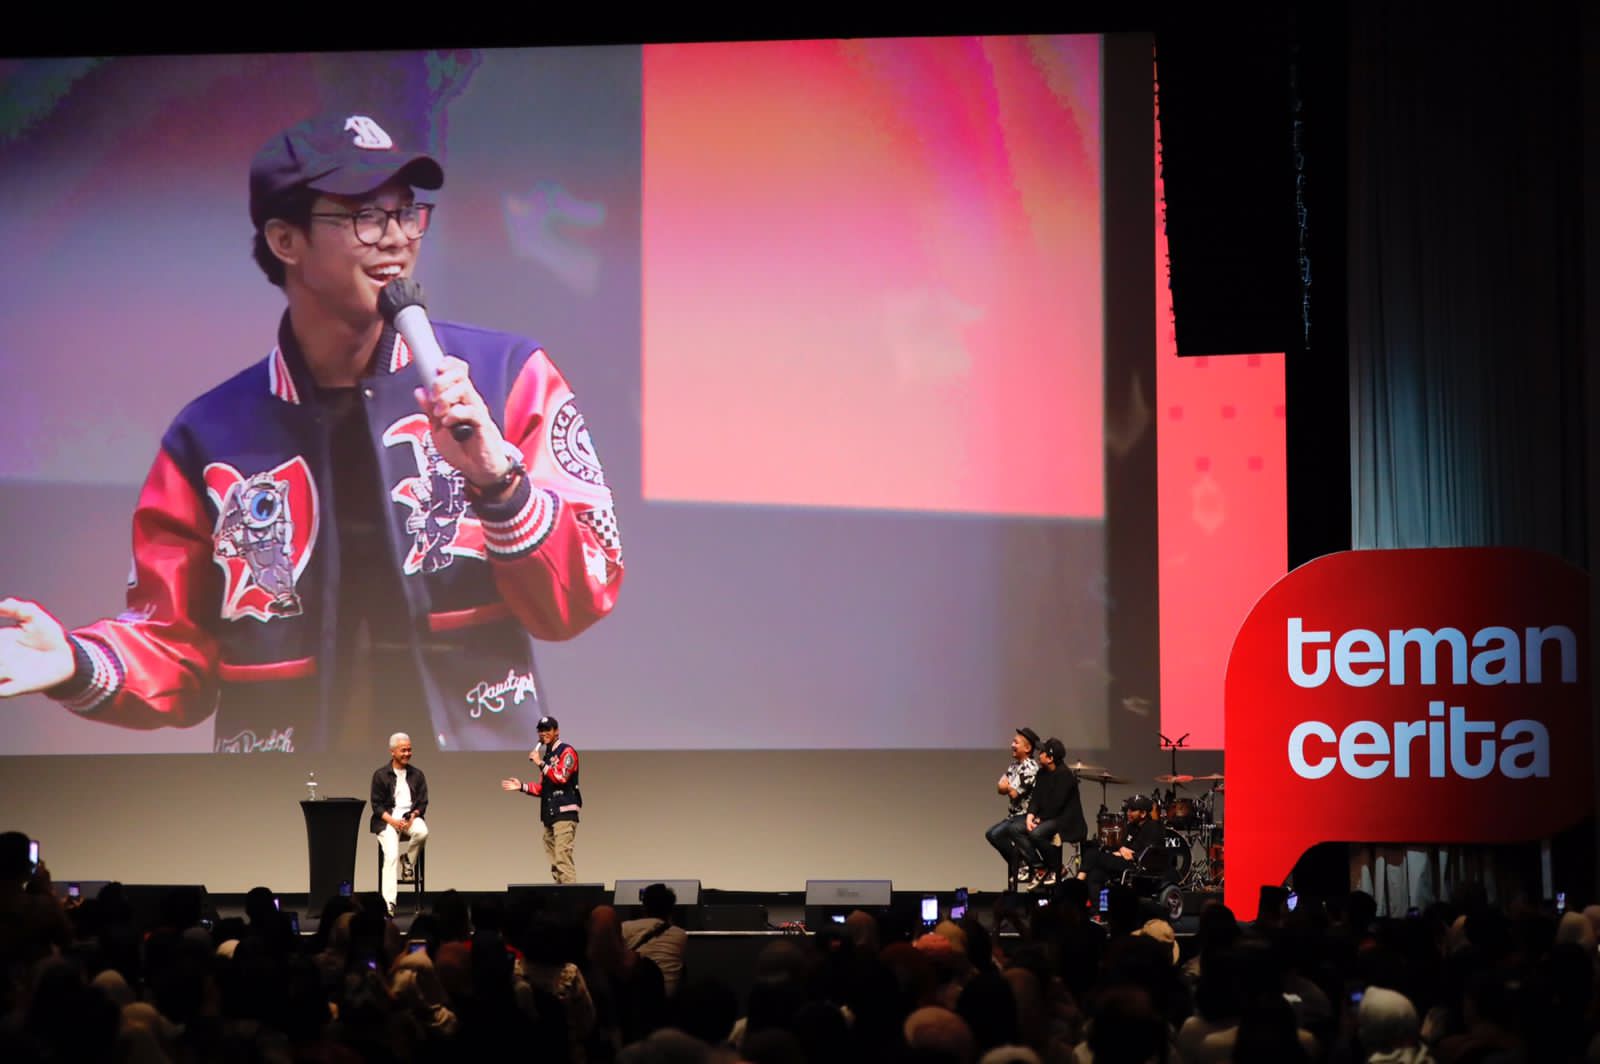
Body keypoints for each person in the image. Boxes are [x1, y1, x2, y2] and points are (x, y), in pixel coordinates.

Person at [0, 110, 624, 754]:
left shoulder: (506, 379)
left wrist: (498, 482)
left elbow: (578, 601)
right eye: (363, 215)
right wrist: (73, 661)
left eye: (407, 211)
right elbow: (175, 648)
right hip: (283, 805)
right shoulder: (211, 437)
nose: (396, 238)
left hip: (481, 793)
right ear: (285, 241)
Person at [501, 715, 581, 882]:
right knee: (555, 864)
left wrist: (540, 763)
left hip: (564, 814)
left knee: (563, 860)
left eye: (547, 730)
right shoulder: (547, 756)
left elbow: (561, 777)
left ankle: (572, 901)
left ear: (556, 732)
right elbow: (545, 789)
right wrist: (522, 786)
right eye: (541, 730)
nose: (543, 733)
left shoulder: (567, 751)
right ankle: (560, 896)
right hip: (549, 816)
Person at [1002, 737, 1088, 890]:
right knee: (1013, 829)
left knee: (1036, 833)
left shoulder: (1065, 776)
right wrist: (1030, 815)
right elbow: (1036, 798)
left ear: (1050, 758)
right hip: (1045, 817)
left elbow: (1057, 804)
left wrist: (1038, 819)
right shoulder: (1042, 773)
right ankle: (1039, 866)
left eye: (1041, 752)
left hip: (1064, 820)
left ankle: (1056, 868)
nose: (1038, 754)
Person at [372, 731, 429, 917]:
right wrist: (394, 822)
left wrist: (413, 815)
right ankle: (389, 902)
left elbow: (422, 802)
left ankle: (409, 861)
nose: (407, 754)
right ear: (393, 752)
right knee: (391, 855)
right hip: (388, 820)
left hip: (408, 817)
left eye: (409, 750)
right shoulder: (381, 775)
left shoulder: (417, 775)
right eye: (403, 750)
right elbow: (377, 806)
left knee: (422, 832)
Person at [1078, 794, 1166, 896]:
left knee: (1091, 855)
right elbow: (1122, 847)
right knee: (1096, 875)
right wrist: (1120, 850)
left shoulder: (1154, 827)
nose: (1128, 813)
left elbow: (1149, 853)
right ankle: (1100, 909)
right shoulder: (1131, 827)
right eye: (1128, 810)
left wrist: (1130, 854)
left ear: (1143, 813)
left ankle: (1076, 886)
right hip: (1123, 861)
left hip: (1137, 866)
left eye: (1132, 810)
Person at [984, 727, 1041, 883]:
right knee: (992, 834)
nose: (1012, 745)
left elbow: (1013, 792)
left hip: (1026, 816)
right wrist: (1007, 786)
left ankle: (1033, 865)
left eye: (1016, 742)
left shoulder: (1030, 768)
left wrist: (1007, 786)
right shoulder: (1014, 766)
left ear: (1028, 748)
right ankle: (1020, 863)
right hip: (1014, 815)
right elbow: (1000, 788)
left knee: (1003, 832)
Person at [621, 882, 690, 997]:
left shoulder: (625, 928)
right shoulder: (680, 935)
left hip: (635, 999)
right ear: (671, 908)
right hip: (667, 999)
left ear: (644, 906)